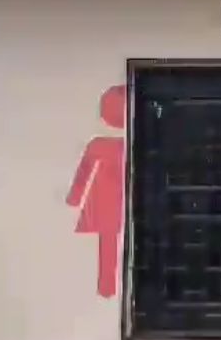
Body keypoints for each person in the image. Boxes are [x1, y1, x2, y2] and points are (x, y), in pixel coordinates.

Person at [66, 84, 126, 298]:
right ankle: (110, 288)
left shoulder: (98, 145)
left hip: (106, 201)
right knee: (116, 243)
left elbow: (83, 173)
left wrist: (74, 199)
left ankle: (107, 288)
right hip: (121, 200)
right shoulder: (130, 145)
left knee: (108, 243)